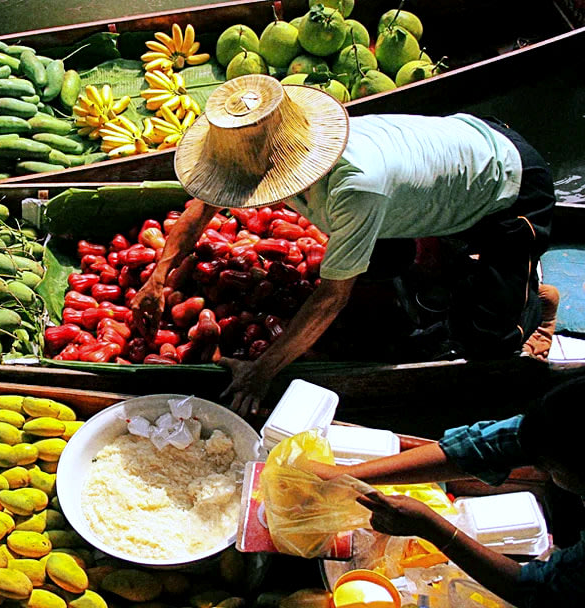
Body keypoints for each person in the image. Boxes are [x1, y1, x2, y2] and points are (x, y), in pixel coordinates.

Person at [131, 75, 556, 415]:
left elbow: (332, 297)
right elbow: (199, 212)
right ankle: (458, 262)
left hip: (509, 186)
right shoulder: (277, 148)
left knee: (486, 342)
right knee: (381, 264)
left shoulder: (356, 189)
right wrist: (157, 277)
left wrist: (262, 372)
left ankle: (533, 300)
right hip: (449, 161)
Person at [306, 378, 585, 607]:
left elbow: (540, 589)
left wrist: (433, 527)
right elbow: (477, 447)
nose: (542, 470)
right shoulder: (563, 421)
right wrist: (345, 477)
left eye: (549, 467)